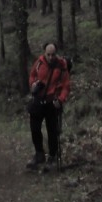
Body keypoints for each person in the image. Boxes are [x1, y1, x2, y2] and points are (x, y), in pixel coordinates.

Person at [26, 41, 70, 170]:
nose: (51, 57)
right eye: (48, 54)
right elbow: (32, 75)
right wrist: (33, 84)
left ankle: (52, 155)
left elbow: (66, 86)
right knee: (35, 128)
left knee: (52, 131)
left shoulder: (61, 66)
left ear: (56, 53)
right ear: (44, 53)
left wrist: (61, 100)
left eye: (53, 54)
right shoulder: (39, 63)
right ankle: (39, 154)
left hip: (52, 102)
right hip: (38, 100)